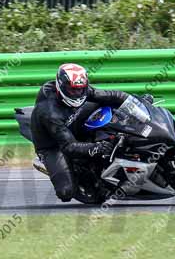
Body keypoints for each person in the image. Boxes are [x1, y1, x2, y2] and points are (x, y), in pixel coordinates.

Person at [30, 63, 130, 202]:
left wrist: (135, 101)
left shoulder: (80, 90)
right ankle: (52, 164)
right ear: (61, 86)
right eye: (72, 90)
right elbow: (68, 146)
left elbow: (112, 95)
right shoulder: (50, 112)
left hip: (72, 121)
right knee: (66, 192)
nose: (77, 94)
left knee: (106, 103)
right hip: (53, 144)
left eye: (80, 89)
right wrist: (97, 147)